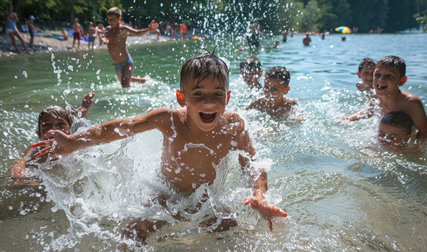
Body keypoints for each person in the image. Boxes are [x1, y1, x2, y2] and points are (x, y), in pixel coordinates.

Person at [31, 53, 287, 244]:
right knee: (133, 230)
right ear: (182, 97)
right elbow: (119, 127)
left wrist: (259, 195)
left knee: (235, 236)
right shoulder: (170, 119)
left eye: (217, 94)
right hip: (166, 194)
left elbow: (253, 164)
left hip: (209, 200)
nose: (209, 102)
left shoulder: (234, 126)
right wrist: (73, 142)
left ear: (227, 98)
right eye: (198, 93)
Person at [8, 92, 94, 183]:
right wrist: (23, 179)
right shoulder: (37, 149)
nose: (53, 130)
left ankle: (81, 115)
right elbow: (19, 165)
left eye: (60, 124)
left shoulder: (75, 148)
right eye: (47, 125)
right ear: (39, 134)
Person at [344, 56, 427, 140]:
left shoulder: (411, 103)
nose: (381, 79)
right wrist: (350, 118)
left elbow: (424, 133)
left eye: (389, 76)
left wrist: (410, 149)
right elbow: (368, 112)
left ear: (402, 81)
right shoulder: (375, 96)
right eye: (377, 75)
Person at [102, 7, 158, 88]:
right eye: (108, 19)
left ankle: (130, 99)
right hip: (116, 64)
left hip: (126, 63)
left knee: (124, 85)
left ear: (119, 19)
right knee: (126, 80)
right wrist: (104, 39)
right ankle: (143, 80)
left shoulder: (123, 29)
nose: (110, 21)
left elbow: (137, 33)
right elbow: (105, 36)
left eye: (112, 19)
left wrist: (148, 29)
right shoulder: (108, 29)